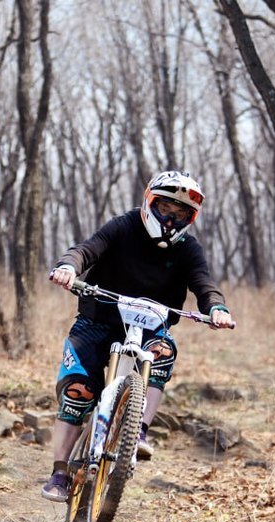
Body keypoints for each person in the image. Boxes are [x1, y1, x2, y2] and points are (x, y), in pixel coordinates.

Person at [41, 170, 233, 502]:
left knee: (163, 352)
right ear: (150, 203)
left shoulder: (188, 248)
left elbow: (203, 282)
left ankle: (137, 430)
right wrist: (69, 267)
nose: (172, 220)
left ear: (191, 218)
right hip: (97, 319)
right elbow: (87, 250)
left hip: (150, 328)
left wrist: (216, 307)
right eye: (166, 210)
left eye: (181, 214)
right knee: (78, 392)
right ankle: (60, 473)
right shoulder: (124, 226)